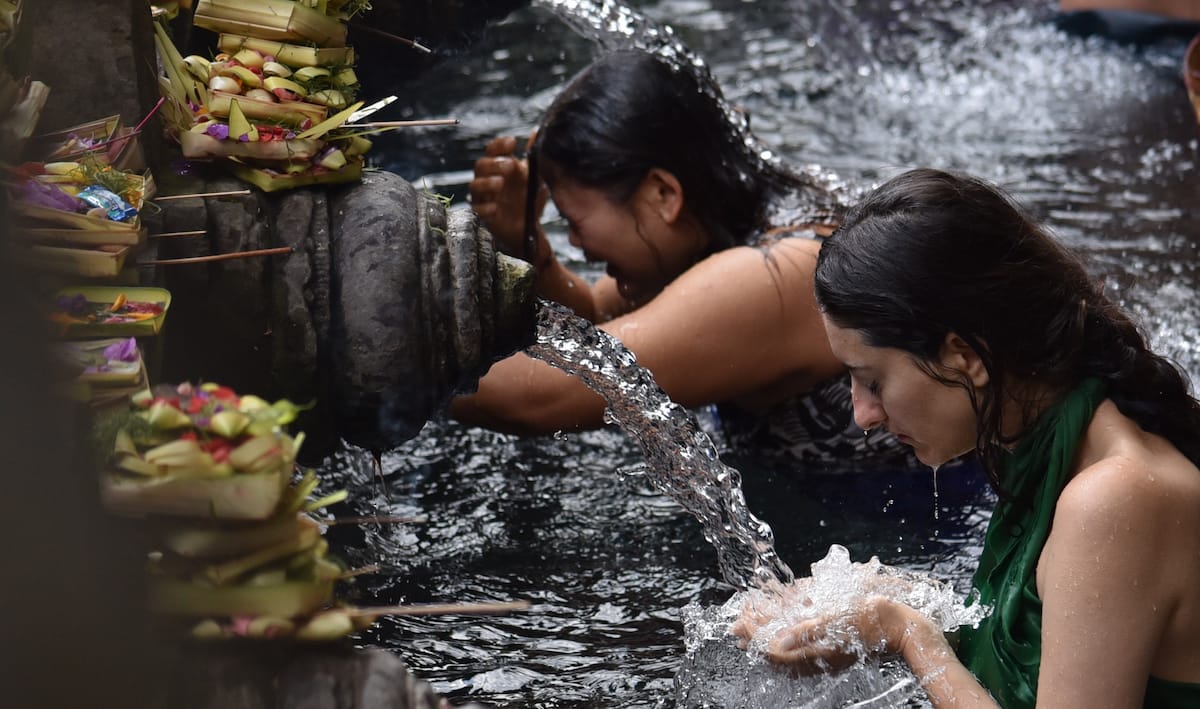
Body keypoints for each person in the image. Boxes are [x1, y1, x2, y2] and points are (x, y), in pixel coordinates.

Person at [733, 168, 1200, 707]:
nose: (863, 415)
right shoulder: (1051, 445)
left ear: (965, 357)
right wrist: (892, 597)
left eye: (873, 381)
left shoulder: (1115, 500)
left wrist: (907, 634)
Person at [450, 48, 923, 472]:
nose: (577, 243)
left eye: (575, 221)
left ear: (662, 194)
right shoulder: (725, 225)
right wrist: (528, 244)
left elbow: (535, 395)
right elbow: (595, 320)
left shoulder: (776, 277)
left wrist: (404, 336)